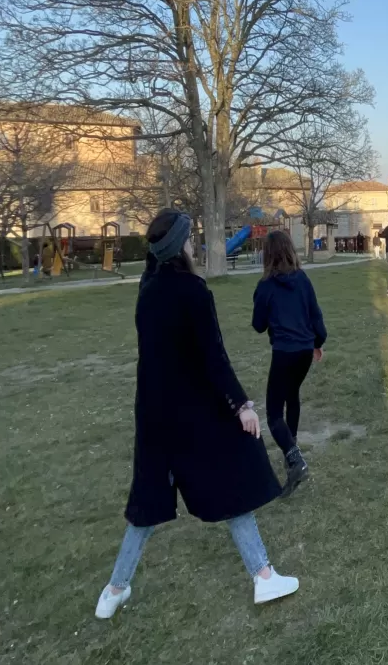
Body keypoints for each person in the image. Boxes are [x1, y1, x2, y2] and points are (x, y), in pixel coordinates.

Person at [95, 210, 296, 620]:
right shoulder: (192, 291)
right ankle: (262, 575)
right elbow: (213, 358)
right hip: (193, 414)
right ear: (179, 246)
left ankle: (114, 590)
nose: (194, 243)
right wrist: (242, 405)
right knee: (234, 477)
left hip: (155, 414)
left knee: (149, 504)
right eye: (189, 238)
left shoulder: (147, 287)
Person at [251, 230, 327, 498]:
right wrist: (318, 341)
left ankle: (295, 459)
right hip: (304, 351)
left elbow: (258, 324)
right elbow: (316, 317)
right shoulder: (302, 280)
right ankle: (291, 453)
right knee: (291, 395)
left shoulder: (267, 286)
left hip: (285, 352)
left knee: (272, 413)